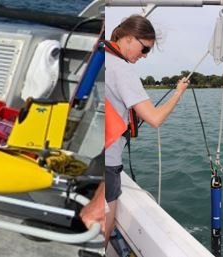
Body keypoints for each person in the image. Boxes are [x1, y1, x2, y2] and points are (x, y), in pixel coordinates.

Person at [80, 14, 190, 243]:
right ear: (129, 38)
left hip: (96, 151)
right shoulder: (123, 70)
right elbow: (155, 119)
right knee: (101, 219)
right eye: (144, 49)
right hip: (109, 159)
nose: (144, 56)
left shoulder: (104, 57)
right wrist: (179, 93)